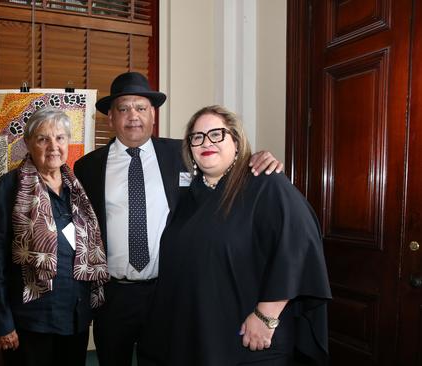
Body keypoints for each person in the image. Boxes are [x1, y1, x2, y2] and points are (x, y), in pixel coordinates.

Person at [73, 72, 284, 366]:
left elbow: (223, 166)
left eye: (141, 108)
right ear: (111, 117)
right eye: (124, 108)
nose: (133, 116)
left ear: (153, 115)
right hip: (113, 296)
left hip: (169, 291)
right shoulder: (87, 168)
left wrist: (257, 158)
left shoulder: (182, 154)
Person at [137, 105, 332, 365]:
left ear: (237, 142)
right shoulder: (190, 197)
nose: (207, 142)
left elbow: (298, 246)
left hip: (247, 338)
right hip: (199, 335)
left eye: (217, 134)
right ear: (190, 149)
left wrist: (265, 316)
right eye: (198, 137)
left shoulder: (265, 183)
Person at [0, 107, 110, 366]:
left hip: (74, 320)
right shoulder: (9, 188)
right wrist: (1, 322)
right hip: (30, 323)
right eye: (42, 139)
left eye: (60, 138)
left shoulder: (77, 190)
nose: (53, 146)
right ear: (27, 143)